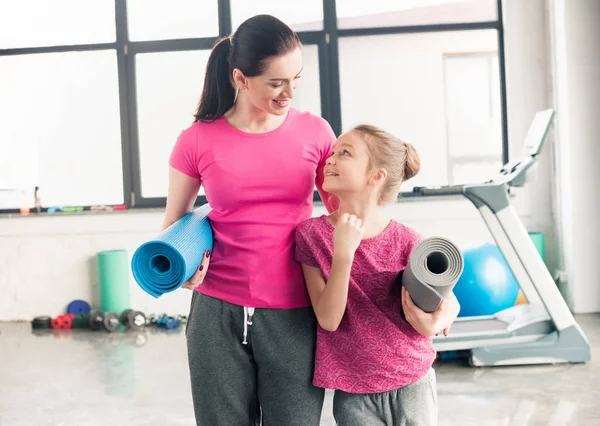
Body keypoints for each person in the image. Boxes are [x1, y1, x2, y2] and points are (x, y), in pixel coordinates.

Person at [163, 14, 338, 426]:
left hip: (295, 310)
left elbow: (345, 219)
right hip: (217, 312)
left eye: (296, 78)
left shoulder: (316, 133)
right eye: (276, 83)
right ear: (241, 79)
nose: (289, 92)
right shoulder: (197, 140)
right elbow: (175, 222)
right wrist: (182, 271)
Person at [295, 125, 461, 426]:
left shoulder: (409, 240)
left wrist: (442, 318)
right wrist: (343, 253)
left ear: (376, 176)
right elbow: (329, 319)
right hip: (354, 393)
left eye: (344, 153)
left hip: (413, 382)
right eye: (332, 153)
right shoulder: (312, 235)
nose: (329, 160)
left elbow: (448, 301)